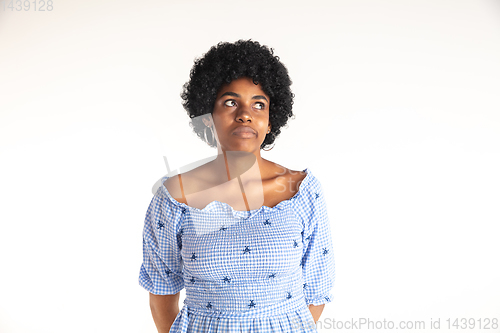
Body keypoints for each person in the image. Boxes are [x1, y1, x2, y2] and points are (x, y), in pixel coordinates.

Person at [138, 39, 335, 332]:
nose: (246, 114)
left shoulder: (301, 191)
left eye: (259, 104)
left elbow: (317, 292)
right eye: (231, 102)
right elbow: (161, 295)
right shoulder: (174, 198)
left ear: (270, 121)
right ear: (208, 116)